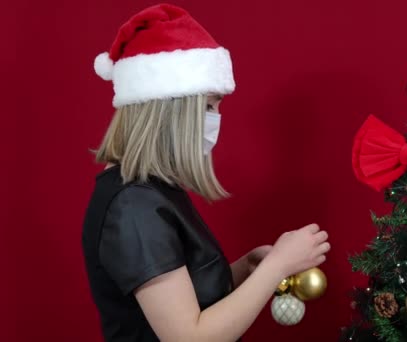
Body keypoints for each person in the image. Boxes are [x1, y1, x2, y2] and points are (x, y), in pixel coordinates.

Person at [81, 4, 330, 342]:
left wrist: (246, 270)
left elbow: (181, 299)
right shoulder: (133, 208)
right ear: (171, 111)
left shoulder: (152, 192)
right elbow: (188, 336)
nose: (215, 119)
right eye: (209, 106)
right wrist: (276, 268)